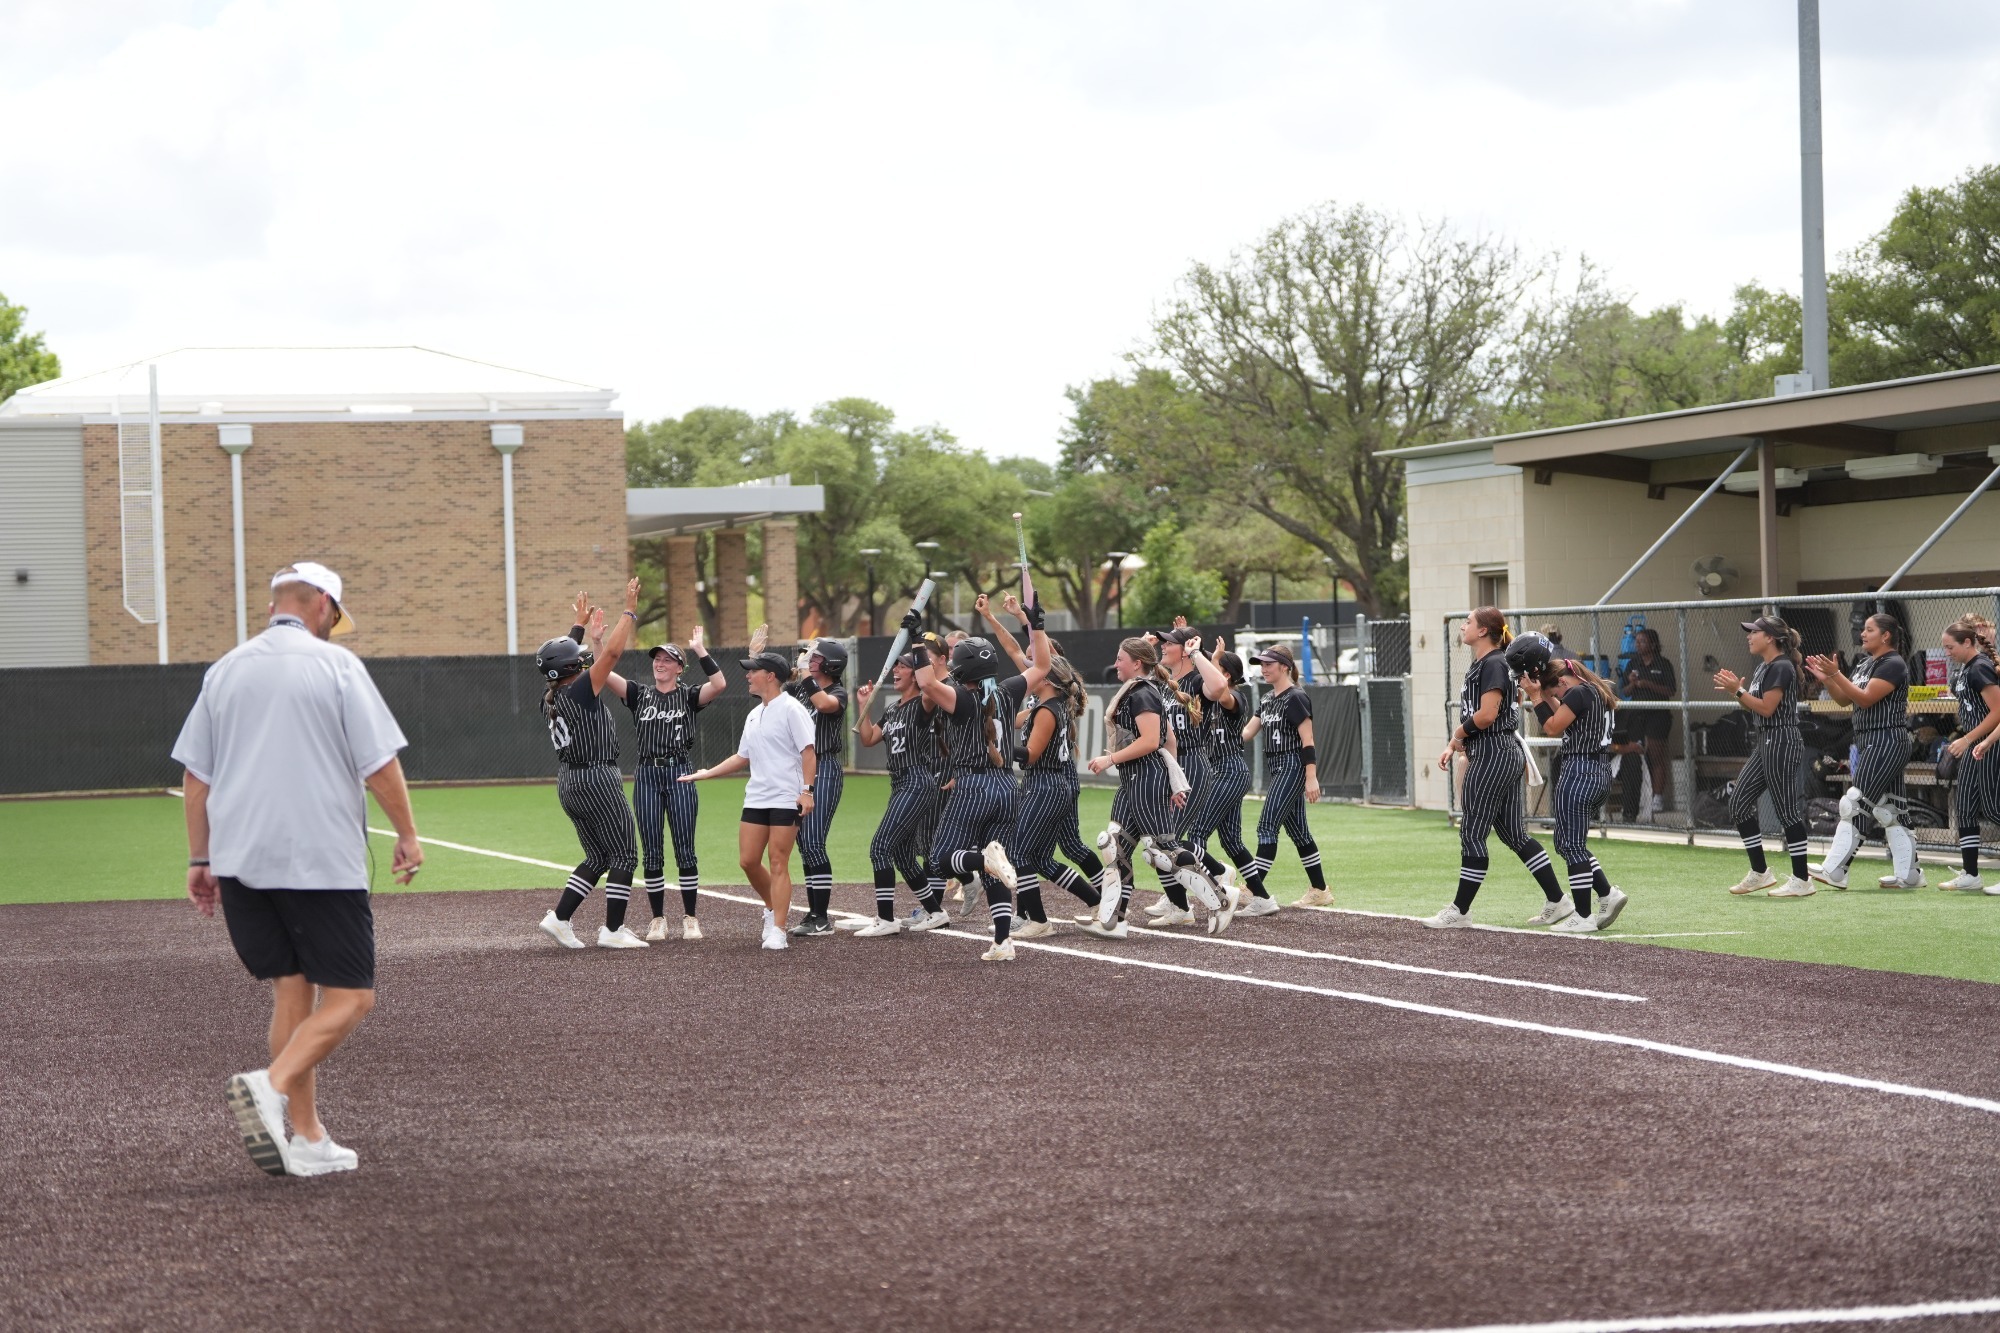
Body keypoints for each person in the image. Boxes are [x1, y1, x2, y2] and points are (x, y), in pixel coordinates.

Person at [173, 561, 421, 1179]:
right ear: (324, 607)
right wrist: (408, 835)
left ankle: (308, 1138)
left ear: (272, 607)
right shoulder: (336, 665)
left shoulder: (224, 670)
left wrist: (200, 859)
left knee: (292, 989)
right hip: (317, 858)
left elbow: (196, 778)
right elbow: (378, 764)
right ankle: (271, 1084)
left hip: (240, 860)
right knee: (353, 996)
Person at [1424, 612, 1569, 928]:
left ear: (1483, 631)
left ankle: (1460, 910)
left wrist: (1458, 735)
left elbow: (1488, 715)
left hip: (1492, 753)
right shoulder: (1490, 662)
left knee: (1472, 832)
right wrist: (1456, 742)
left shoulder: (1493, 663)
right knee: (1514, 834)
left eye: (1468, 621)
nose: (1463, 625)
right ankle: (1558, 900)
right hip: (1500, 751)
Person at [1085, 637, 1235, 937]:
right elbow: (1171, 740)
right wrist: (1174, 781)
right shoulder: (1138, 690)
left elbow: (1152, 741)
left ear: (1136, 664)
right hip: (1135, 778)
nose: (1115, 664)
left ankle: (1220, 899)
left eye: (1120, 659)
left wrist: (1110, 759)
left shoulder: (1142, 693)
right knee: (1115, 846)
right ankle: (1113, 920)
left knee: (1163, 851)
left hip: (1145, 776)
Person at [678, 649, 817, 951]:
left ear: (771, 676)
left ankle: (778, 929)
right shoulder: (754, 714)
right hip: (756, 796)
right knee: (748, 861)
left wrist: (807, 791)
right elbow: (743, 756)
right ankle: (772, 907)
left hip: (785, 797)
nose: (748, 676)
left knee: (778, 861)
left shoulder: (792, 709)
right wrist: (707, 773)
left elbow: (808, 751)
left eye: (753, 671)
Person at [534, 581, 646, 949]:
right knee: (625, 854)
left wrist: (578, 627)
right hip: (597, 776)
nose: (584, 660)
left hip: (569, 781)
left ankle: (559, 918)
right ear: (572, 666)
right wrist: (629, 611)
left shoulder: (550, 695)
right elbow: (611, 654)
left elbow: (561, 662)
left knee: (598, 855)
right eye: (579, 657)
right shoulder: (580, 689)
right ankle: (613, 931)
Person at [1514, 636, 1630, 933]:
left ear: (1564, 682)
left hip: (1580, 771)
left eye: (1556, 692)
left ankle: (1583, 915)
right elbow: (1563, 713)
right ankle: (1607, 894)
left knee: (1573, 846)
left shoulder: (1578, 693)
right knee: (1566, 844)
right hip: (1598, 772)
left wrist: (1536, 697)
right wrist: (1544, 694)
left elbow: (1552, 726)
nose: (1557, 698)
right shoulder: (1593, 691)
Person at [619, 625, 727, 940]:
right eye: (657, 659)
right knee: (652, 850)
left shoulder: (689, 695)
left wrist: (700, 649)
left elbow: (719, 684)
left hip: (680, 772)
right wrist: (598, 642)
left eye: (668, 659)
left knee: (685, 849)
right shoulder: (639, 694)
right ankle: (658, 919)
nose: (660, 663)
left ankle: (690, 917)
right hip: (647, 774)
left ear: (679, 668)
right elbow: (604, 674)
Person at [1808, 613, 1919, 890]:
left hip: (1886, 740)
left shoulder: (1893, 663)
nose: (1862, 634)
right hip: (1870, 741)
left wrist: (1836, 674)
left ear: (1886, 635)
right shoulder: (1865, 663)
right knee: (1891, 810)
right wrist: (1829, 680)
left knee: (1854, 803)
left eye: (1869, 630)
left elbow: (1867, 699)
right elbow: (1845, 699)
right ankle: (1910, 874)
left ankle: (1836, 870)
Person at [1712, 615, 1813, 897]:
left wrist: (1738, 690)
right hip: (1766, 742)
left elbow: (1767, 708)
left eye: (1754, 632)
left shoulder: (1782, 666)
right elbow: (1755, 706)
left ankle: (1802, 879)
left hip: (1782, 740)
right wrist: (1739, 692)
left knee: (1786, 812)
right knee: (1738, 802)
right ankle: (1760, 873)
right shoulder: (1763, 667)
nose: (1749, 636)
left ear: (1770, 638)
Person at [849, 650, 944, 936]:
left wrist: (923, 659)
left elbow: (929, 686)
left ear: (915, 675)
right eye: (896, 666)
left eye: (902, 667)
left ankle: (886, 919)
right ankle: (936, 912)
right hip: (900, 783)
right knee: (902, 855)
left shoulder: (923, 703)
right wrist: (864, 705)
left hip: (917, 780)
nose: (896, 671)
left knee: (880, 848)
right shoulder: (892, 709)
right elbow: (868, 738)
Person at [1181, 639, 1276, 915]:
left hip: (1229, 771)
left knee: (1197, 832)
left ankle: (1206, 892)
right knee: (1232, 841)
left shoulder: (1235, 697)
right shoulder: (1207, 699)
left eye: (1217, 667)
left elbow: (1221, 693)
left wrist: (1210, 660)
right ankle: (1263, 898)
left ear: (1226, 674)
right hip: (1219, 772)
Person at [1241, 644, 1331, 908]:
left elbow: (1308, 740)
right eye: (1261, 664)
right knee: (1300, 833)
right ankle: (1320, 890)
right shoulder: (1268, 698)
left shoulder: (1296, 697)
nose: (1264, 668)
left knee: (1266, 827)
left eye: (1269, 664)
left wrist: (1311, 777)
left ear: (1284, 667)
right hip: (1277, 767)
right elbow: (1247, 733)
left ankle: (1253, 890)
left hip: (1292, 765)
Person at [783, 637, 851, 937]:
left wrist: (805, 674)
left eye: (817, 657)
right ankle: (814, 914)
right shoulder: (800, 688)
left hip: (824, 769)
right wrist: (756, 657)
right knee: (804, 844)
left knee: (812, 841)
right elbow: (771, 693)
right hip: (798, 771)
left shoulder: (837, 692)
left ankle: (821, 917)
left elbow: (823, 704)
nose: (811, 660)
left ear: (831, 664)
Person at [1940, 615, 2000, 893]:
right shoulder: (1964, 669)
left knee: (1994, 808)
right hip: (1974, 746)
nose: (1947, 653)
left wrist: (1969, 739)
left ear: (1967, 642)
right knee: (1964, 807)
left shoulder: (1980, 667)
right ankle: (1970, 873)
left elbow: (1997, 712)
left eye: (1950, 647)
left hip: (1989, 744)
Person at [1619, 628, 1678, 818]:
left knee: (1655, 755)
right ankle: (1637, 800)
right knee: (1635, 753)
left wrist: (1648, 684)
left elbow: (1671, 690)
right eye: (1637, 641)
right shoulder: (1633, 663)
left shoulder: (1664, 664)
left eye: (1642, 641)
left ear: (1653, 644)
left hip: (1658, 715)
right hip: (1637, 714)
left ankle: (1657, 797)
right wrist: (1632, 683)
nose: (1638, 645)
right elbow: (1624, 691)